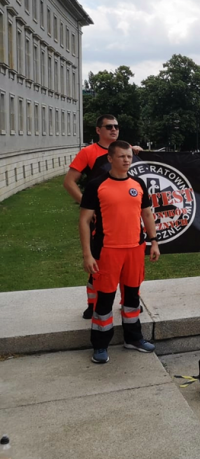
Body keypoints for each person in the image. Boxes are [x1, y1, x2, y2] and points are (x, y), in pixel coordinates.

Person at [79, 141, 159, 364]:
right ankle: (100, 345)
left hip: (135, 249)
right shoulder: (96, 185)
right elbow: (84, 221)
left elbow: (147, 215)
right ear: (110, 159)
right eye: (121, 156)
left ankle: (133, 339)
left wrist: (153, 242)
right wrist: (87, 254)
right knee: (104, 301)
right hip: (107, 251)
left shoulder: (138, 183)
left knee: (132, 297)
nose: (126, 160)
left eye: (129, 156)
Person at [64, 114, 142, 320]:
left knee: (130, 269)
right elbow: (69, 181)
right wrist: (88, 205)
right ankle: (93, 303)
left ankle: (130, 302)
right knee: (97, 265)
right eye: (108, 127)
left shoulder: (128, 151)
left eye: (116, 126)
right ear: (98, 130)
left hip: (125, 221)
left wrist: (142, 153)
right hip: (100, 220)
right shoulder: (88, 152)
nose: (113, 130)